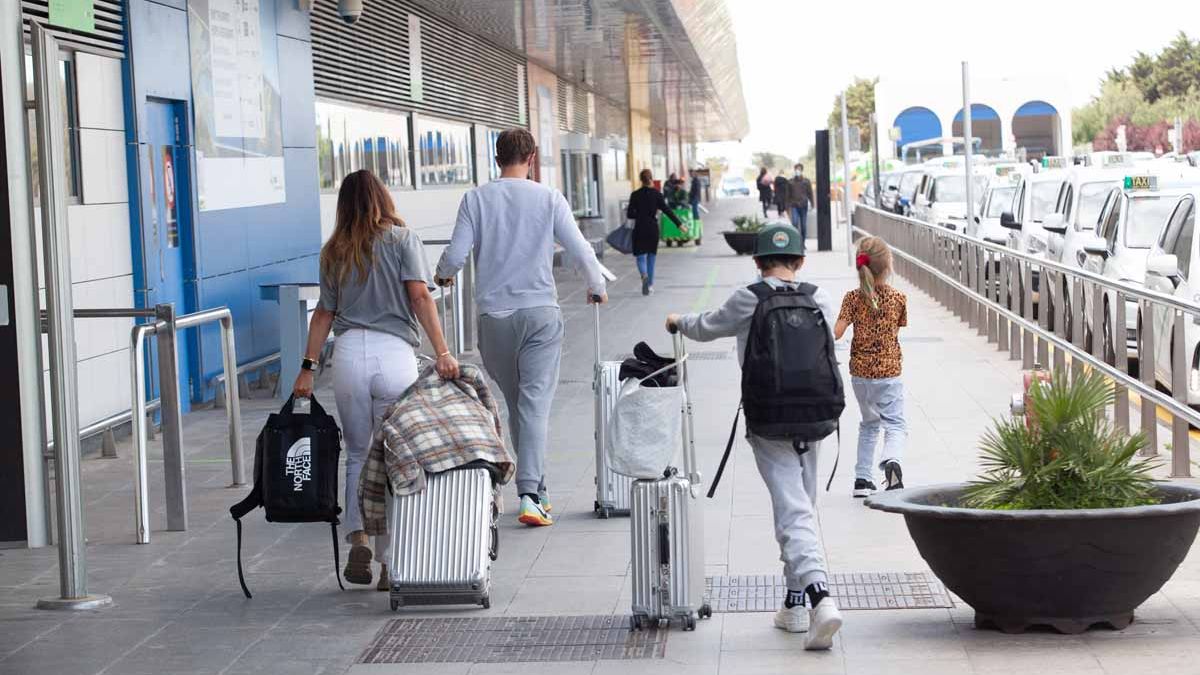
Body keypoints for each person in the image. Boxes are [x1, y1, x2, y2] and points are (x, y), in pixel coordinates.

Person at [665, 224, 843, 650]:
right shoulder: (818, 296)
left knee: (792, 510)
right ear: (800, 261)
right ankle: (794, 603)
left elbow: (706, 326)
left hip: (770, 419)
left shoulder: (750, 297)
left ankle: (820, 598)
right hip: (815, 415)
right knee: (802, 505)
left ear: (758, 261)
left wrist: (677, 321)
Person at [292, 169, 459, 590]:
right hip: (395, 355)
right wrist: (442, 352)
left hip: (348, 355)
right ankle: (390, 563)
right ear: (384, 197)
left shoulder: (334, 250)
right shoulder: (403, 240)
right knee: (395, 457)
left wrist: (307, 369)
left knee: (358, 454)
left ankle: (359, 538)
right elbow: (420, 296)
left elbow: (323, 314)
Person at [435, 128, 608, 527]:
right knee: (530, 407)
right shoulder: (549, 198)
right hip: (539, 316)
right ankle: (531, 492)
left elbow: (456, 254)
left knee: (520, 405)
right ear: (531, 158)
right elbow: (581, 249)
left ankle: (536, 489)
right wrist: (596, 287)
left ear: (497, 159)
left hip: (494, 319)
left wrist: (443, 276)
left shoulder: (476, 199)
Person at [834, 236, 908, 497]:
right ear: (888, 266)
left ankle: (862, 480)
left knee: (869, 424)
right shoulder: (898, 298)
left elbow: (837, 332)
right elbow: (896, 327)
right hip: (888, 373)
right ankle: (891, 461)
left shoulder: (852, 299)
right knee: (895, 425)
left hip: (860, 376)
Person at [627, 168, 684, 296]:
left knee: (641, 257)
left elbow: (630, 214)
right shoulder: (657, 194)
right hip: (652, 229)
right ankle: (650, 286)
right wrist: (679, 224)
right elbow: (667, 210)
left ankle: (644, 275)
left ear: (640, 180)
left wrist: (640, 214)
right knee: (651, 258)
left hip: (640, 228)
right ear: (651, 179)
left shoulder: (635, 195)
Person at [787, 164, 815, 245]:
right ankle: (796, 242)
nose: (797, 171)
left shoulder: (806, 181)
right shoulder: (790, 182)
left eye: (799, 169)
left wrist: (812, 203)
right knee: (794, 223)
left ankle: (802, 243)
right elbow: (787, 195)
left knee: (803, 225)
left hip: (803, 205)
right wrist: (787, 207)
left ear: (802, 170)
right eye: (796, 169)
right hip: (794, 205)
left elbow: (810, 193)